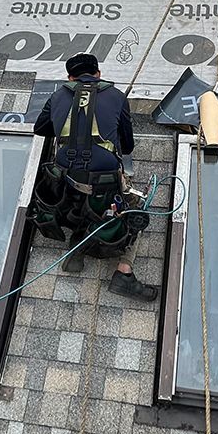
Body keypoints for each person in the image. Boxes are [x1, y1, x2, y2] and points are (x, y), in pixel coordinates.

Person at [32, 54, 157, 301]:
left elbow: (40, 129)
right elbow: (128, 145)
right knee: (134, 212)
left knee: (79, 199)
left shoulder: (58, 96)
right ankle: (124, 273)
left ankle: (79, 240)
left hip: (66, 180)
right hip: (104, 180)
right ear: (98, 73)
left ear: (70, 78)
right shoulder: (116, 96)